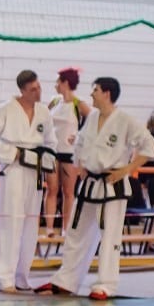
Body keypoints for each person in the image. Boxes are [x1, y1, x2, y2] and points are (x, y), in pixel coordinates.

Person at [35, 77, 154, 300]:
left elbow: (150, 148)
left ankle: (105, 285)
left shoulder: (126, 120)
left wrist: (127, 169)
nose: (91, 94)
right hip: (90, 183)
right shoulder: (91, 118)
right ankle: (66, 281)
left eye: (95, 90)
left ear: (107, 93)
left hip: (112, 185)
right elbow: (80, 142)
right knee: (76, 231)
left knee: (109, 235)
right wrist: (80, 165)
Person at [0, 70, 57, 293]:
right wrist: (12, 153)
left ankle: (22, 276)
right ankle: (5, 276)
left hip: (35, 170)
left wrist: (46, 157)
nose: (38, 92)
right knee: (11, 223)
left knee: (30, 224)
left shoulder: (44, 112)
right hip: (14, 168)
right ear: (22, 90)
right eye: (33, 89)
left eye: (39, 87)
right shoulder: (5, 109)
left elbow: (51, 141)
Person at [45, 67, 90, 236]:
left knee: (68, 192)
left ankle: (66, 228)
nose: (55, 85)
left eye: (58, 81)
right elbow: (43, 117)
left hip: (69, 152)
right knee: (51, 189)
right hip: (52, 150)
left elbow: (93, 121)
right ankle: (49, 227)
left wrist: (79, 136)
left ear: (65, 83)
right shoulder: (54, 101)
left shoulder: (79, 104)